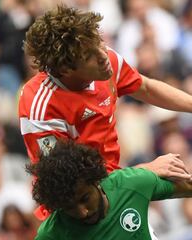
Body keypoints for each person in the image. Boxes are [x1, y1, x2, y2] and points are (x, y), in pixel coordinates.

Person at [18, 5, 192, 219]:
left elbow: (146, 88)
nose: (104, 55)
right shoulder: (40, 108)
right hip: (79, 211)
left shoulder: (106, 62)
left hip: (116, 185)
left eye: (99, 42)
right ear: (65, 69)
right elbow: (71, 186)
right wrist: (145, 171)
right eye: (89, 55)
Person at [26, 140, 192, 239]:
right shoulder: (53, 233)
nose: (82, 212)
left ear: (96, 181)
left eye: (85, 198)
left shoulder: (132, 183)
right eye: (69, 207)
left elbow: (187, 188)